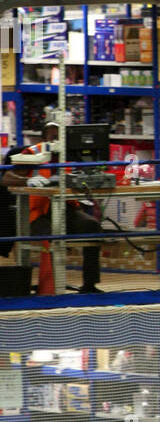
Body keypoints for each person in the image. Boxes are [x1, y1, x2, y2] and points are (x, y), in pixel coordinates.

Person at [0, 120, 103, 293]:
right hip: (37, 215)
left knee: (92, 227)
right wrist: (27, 180)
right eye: (53, 137)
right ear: (43, 139)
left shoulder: (72, 155)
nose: (57, 141)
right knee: (54, 234)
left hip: (68, 210)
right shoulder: (32, 153)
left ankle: (90, 285)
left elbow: (83, 180)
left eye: (60, 137)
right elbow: (6, 178)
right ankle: (51, 289)